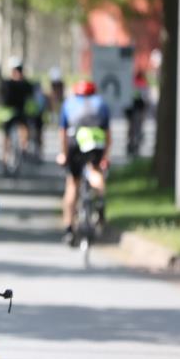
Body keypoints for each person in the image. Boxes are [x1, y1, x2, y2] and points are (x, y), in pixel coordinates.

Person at [57, 80, 111, 245]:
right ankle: (100, 200)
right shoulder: (102, 104)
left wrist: (64, 155)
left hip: (75, 144)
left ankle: (69, 229)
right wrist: (105, 157)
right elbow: (108, 134)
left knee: (73, 183)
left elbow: (63, 133)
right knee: (95, 172)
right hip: (96, 143)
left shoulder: (68, 104)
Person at [0, 57, 34, 165]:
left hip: (21, 111)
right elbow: (2, 97)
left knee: (25, 127)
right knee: (6, 134)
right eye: (15, 70)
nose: (17, 73)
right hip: (9, 112)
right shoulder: (7, 83)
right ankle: (5, 157)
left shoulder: (26, 84)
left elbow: (31, 98)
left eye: (19, 70)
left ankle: (24, 147)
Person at [125, 70, 149, 154]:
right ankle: (136, 141)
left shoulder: (131, 83)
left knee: (131, 126)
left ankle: (130, 141)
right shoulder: (143, 83)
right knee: (138, 125)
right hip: (139, 108)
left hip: (130, 108)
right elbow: (146, 98)